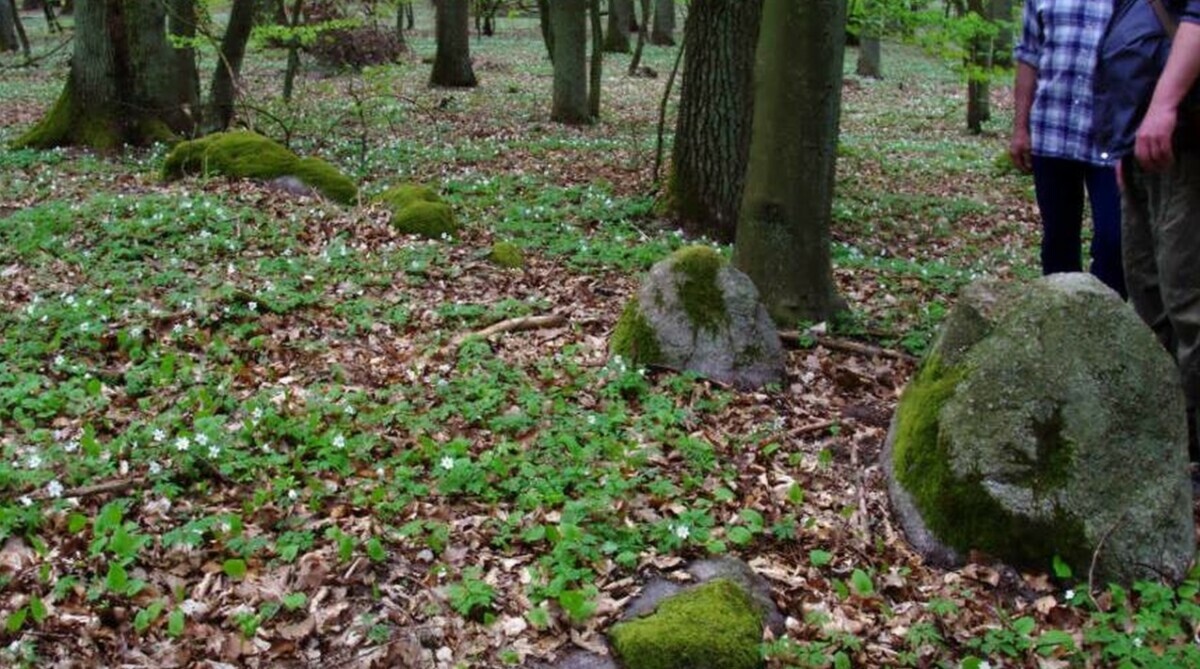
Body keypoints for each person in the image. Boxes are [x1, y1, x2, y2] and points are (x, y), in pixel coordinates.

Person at [1096, 0, 1200, 463]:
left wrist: (1163, 105)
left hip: (1186, 146)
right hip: (1141, 152)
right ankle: (1167, 437)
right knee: (1149, 300)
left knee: (1188, 304)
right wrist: (1122, 143)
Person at [1011, 0, 1127, 298]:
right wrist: (1020, 128)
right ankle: (1059, 320)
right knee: (1058, 241)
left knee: (1115, 241)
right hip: (1053, 131)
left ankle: (1104, 322)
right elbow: (1028, 57)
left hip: (1111, 138)